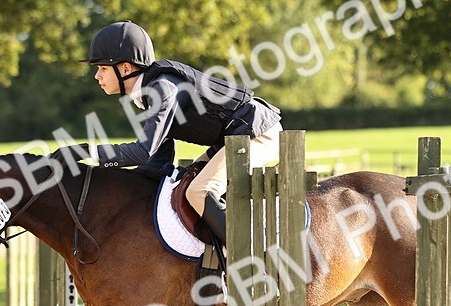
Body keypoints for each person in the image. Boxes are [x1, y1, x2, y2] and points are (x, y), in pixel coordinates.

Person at [55, 21, 282, 242]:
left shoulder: (162, 89)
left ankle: (253, 256)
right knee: (184, 184)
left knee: (199, 192)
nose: (97, 76)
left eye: (103, 68)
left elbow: (143, 151)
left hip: (258, 133)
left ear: (125, 68)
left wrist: (84, 152)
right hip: (233, 139)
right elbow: (156, 162)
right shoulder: (146, 93)